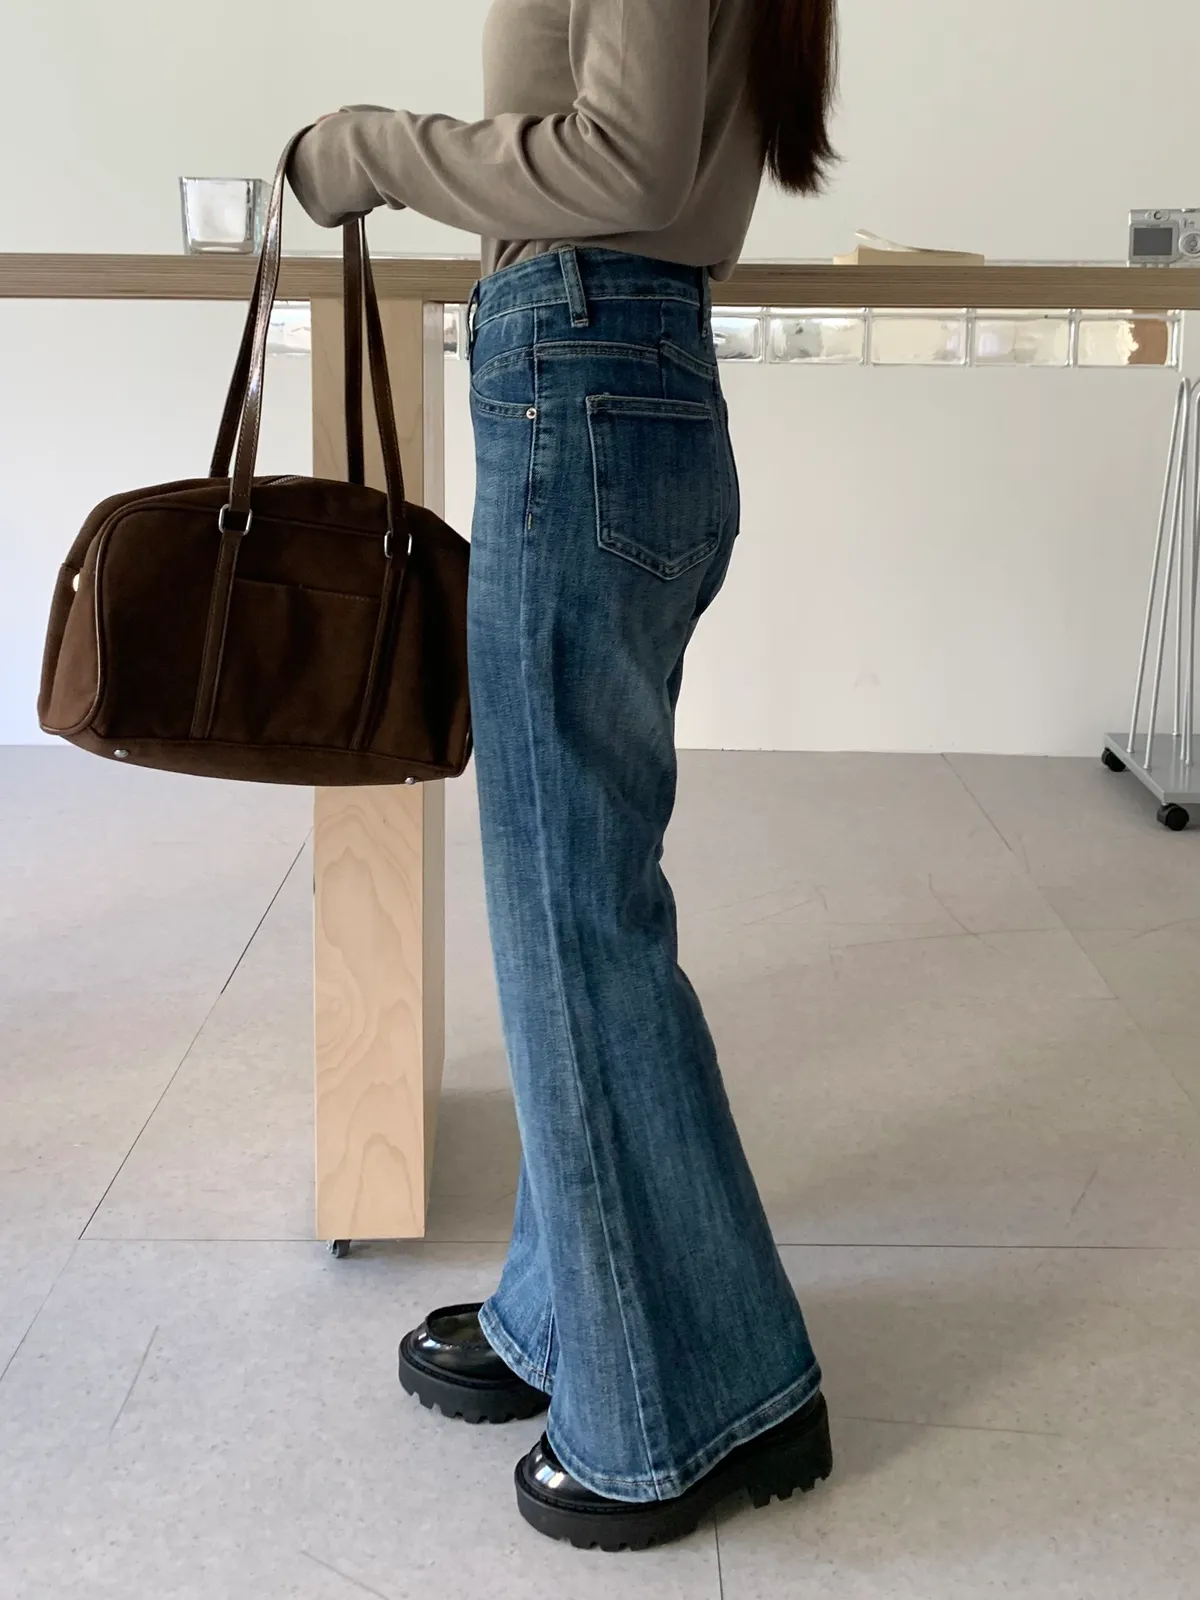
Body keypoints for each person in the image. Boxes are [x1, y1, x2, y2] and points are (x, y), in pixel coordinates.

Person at [288, 0, 840, 1553]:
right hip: (617, 369)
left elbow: (623, 161)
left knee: (569, 920)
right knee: (579, 898)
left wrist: (366, 148)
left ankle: (703, 1398)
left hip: (583, 365)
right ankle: (562, 1307)